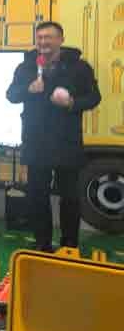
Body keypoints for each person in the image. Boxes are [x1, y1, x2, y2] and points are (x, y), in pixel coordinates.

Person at [7, 21, 101, 252]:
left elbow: (94, 97)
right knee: (37, 196)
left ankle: (69, 245)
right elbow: (11, 94)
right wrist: (28, 89)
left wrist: (71, 102)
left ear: (60, 40)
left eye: (48, 37)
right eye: (40, 38)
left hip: (66, 141)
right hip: (35, 141)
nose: (43, 42)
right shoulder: (26, 67)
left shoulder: (79, 68)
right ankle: (43, 244)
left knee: (70, 197)